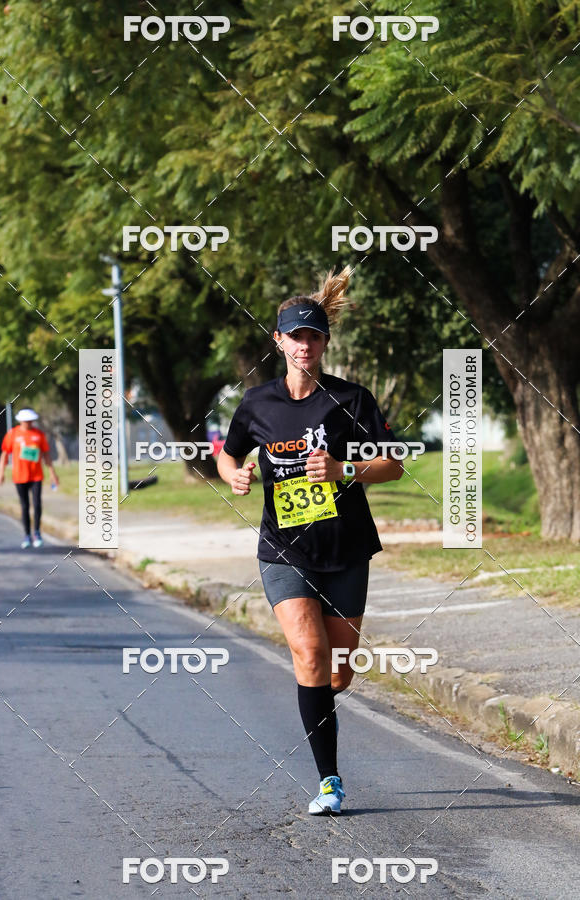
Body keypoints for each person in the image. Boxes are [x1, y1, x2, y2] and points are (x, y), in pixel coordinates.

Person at [217, 266, 403, 815]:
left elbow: (392, 465)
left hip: (345, 549)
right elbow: (229, 452)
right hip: (283, 548)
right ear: (278, 341)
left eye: (313, 335)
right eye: (295, 335)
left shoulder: (351, 399)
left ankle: (317, 693)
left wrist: (345, 470)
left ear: (324, 341)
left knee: (337, 669)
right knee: (309, 651)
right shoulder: (257, 404)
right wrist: (234, 474)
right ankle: (330, 782)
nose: (304, 344)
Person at [0, 408, 59, 549]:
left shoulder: (39, 435)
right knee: (24, 506)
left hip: (36, 475)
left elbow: (46, 455)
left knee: (37, 504)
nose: (28, 423)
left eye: (30, 421)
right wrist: (1, 473)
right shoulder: (13, 434)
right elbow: (4, 454)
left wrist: (53, 474)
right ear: (20, 421)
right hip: (19, 476)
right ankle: (27, 535)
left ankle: (37, 532)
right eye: (26, 421)